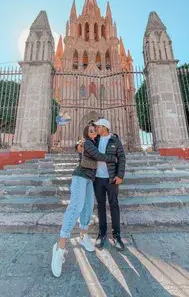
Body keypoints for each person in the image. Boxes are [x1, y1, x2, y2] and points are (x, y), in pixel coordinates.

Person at [51, 124, 117, 278]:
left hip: (90, 179)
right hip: (80, 176)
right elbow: (98, 156)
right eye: (90, 131)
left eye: (95, 130)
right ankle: (60, 248)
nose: (93, 132)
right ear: (86, 134)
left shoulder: (94, 142)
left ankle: (83, 237)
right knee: (76, 207)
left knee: (88, 208)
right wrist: (113, 157)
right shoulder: (86, 143)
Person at [78, 119, 126, 251]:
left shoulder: (115, 140)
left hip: (111, 179)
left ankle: (117, 236)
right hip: (97, 179)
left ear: (104, 127)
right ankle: (102, 233)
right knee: (100, 206)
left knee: (114, 205)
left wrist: (120, 175)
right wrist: (77, 146)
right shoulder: (95, 140)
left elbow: (121, 158)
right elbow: (83, 143)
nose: (96, 128)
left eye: (98, 126)